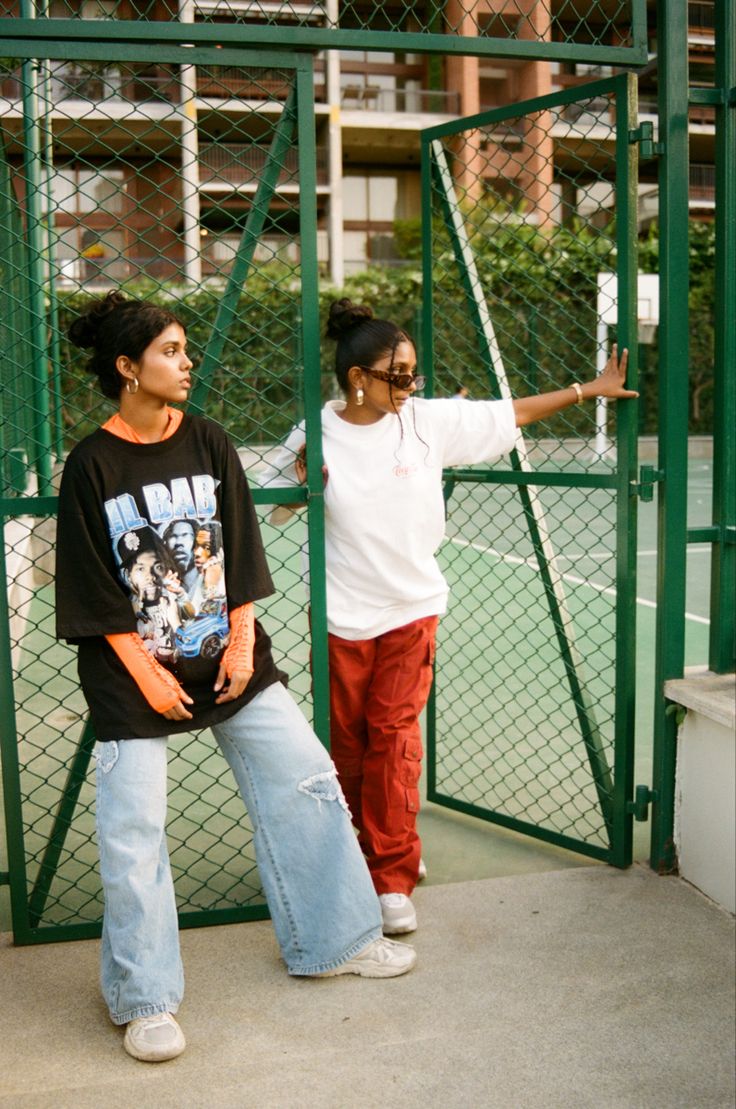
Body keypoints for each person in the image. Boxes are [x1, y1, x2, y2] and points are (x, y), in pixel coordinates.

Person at [55, 292, 416, 1065]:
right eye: (171, 351)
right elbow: (92, 590)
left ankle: (335, 939)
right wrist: (147, 679)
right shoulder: (91, 463)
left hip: (231, 659)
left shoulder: (210, 440)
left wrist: (243, 646)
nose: (188, 364)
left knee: (307, 777)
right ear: (128, 367)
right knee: (133, 832)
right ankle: (146, 999)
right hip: (133, 678)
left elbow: (244, 553)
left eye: (186, 350)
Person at [262, 297, 637, 937]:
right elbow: (276, 504)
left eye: (414, 373)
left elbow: (509, 413)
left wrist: (587, 390)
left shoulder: (427, 422)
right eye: (399, 373)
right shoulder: (314, 432)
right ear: (359, 379)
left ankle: (392, 872)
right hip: (340, 616)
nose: (412, 384)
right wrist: (303, 484)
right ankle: (356, 849)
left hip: (412, 611)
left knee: (395, 739)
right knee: (347, 746)